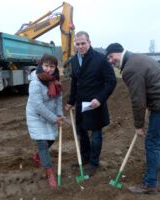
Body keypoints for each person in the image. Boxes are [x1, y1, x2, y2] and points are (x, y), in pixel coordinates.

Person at [106, 43, 160, 194]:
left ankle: (150, 184)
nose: (110, 61)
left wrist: (139, 125)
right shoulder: (137, 57)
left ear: (119, 53)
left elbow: (138, 100)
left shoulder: (129, 69)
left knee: (152, 142)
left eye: (111, 57)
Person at [65, 31, 117, 176]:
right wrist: (71, 101)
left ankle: (94, 163)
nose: (80, 46)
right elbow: (75, 82)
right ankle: (85, 157)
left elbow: (111, 82)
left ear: (89, 42)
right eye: (78, 44)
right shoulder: (74, 60)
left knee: (96, 135)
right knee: (81, 132)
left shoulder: (100, 59)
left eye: (83, 43)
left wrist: (100, 99)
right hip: (81, 104)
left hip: (95, 104)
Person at [26, 54, 64, 188]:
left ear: (55, 68)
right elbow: (38, 106)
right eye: (46, 66)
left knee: (51, 139)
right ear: (41, 65)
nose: (48, 69)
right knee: (42, 142)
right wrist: (55, 119)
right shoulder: (35, 82)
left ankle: (38, 156)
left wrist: (59, 114)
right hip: (36, 115)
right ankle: (50, 172)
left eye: (52, 66)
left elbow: (59, 98)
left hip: (51, 113)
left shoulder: (55, 79)